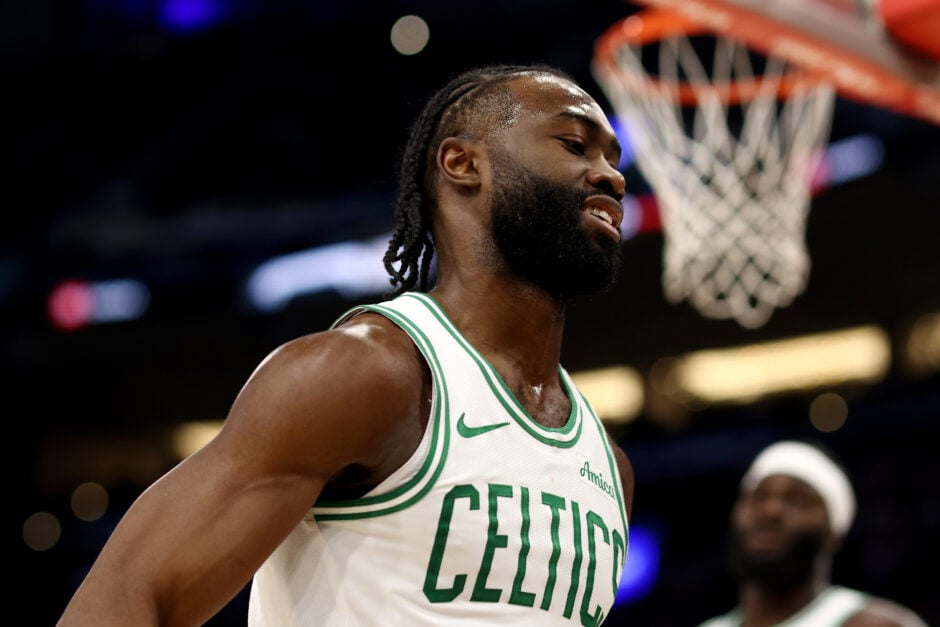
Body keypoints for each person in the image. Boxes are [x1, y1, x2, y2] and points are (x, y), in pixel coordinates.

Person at [57, 63, 635, 626]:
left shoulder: (608, 466)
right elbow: (126, 595)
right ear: (462, 164)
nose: (611, 173)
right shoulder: (363, 374)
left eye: (613, 155)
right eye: (574, 145)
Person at [698, 440, 928, 627]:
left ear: (834, 534)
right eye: (758, 497)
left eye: (797, 500)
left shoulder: (877, 624)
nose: (770, 511)